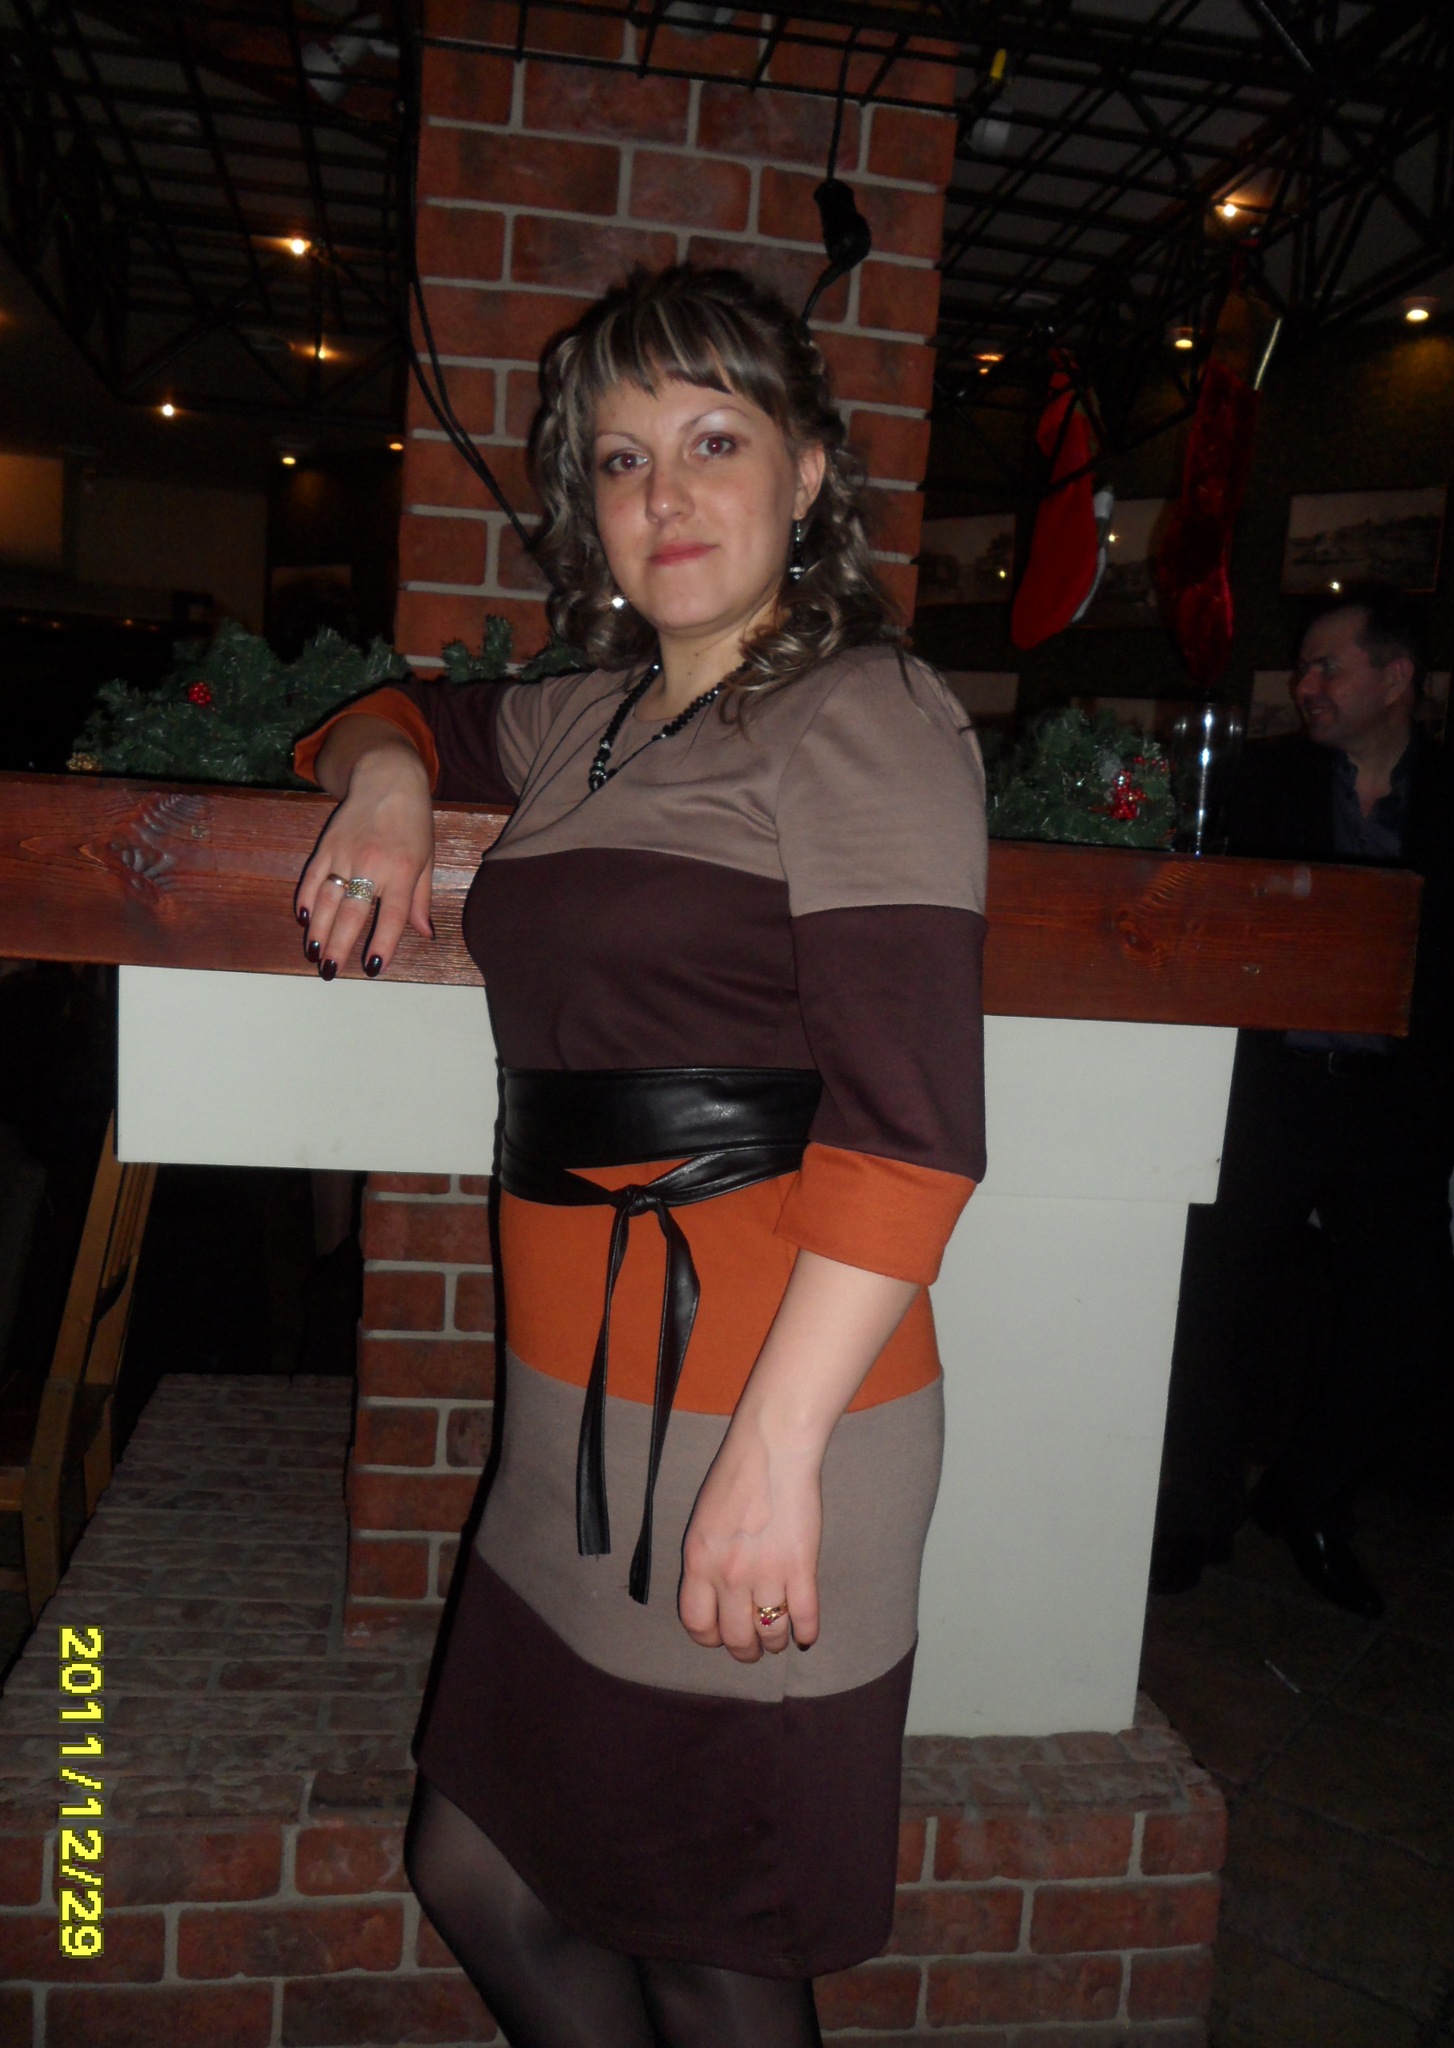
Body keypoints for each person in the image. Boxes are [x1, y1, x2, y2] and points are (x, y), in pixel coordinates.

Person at [291, 265, 988, 2048]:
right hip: (569, 1422)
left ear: (807, 474)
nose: (665, 493)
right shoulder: (589, 721)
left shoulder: (868, 714)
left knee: (714, 1942)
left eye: (713, 440)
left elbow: (912, 1132)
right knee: (483, 1865)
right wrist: (388, 785)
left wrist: (774, 1458)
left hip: (769, 1407)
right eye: (621, 458)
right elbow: (396, 711)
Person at [1152, 584, 1454, 1617]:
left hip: (1396, 1106)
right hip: (1272, 1093)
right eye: (1304, 667)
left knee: (1410, 1317)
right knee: (1214, 1306)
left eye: (1331, 666)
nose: (1307, 684)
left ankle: (1308, 1494)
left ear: (1397, 677)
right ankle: (1190, 1516)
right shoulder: (1261, 779)